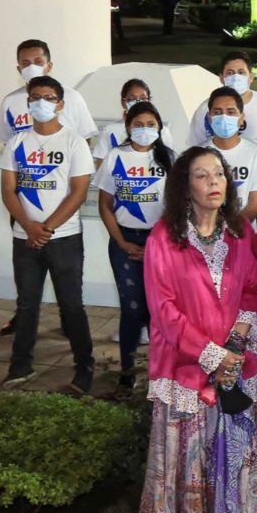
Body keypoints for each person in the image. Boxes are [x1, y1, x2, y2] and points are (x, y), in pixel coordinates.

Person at [140, 145, 257, 513]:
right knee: (181, 443)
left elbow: (252, 290)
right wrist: (210, 354)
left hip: (233, 358)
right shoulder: (164, 237)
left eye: (219, 174)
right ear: (184, 186)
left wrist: (234, 346)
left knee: (233, 437)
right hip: (182, 361)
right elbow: (163, 310)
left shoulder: (242, 231)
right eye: (202, 175)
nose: (214, 182)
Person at [2, 75, 97, 396]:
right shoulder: (17, 143)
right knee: (27, 305)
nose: (41, 102)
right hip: (24, 237)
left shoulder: (74, 142)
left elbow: (78, 192)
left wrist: (47, 228)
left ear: (60, 104)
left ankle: (84, 367)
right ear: (28, 102)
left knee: (71, 306)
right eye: (35, 97)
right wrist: (29, 227)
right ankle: (20, 365)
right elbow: (8, 190)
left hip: (65, 238)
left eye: (48, 97)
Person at [96, 98, 172, 392]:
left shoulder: (170, 159)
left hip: (161, 243)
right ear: (128, 127)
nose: (144, 130)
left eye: (151, 125)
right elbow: (105, 204)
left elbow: (179, 207)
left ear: (159, 128)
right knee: (131, 308)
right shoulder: (116, 156)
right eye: (138, 125)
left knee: (158, 309)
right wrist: (122, 243)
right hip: (124, 240)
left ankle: (158, 368)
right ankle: (128, 367)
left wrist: (159, 243)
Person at [0, 38, 97, 151]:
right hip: (24, 167)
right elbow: (7, 142)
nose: (32, 68)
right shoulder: (10, 102)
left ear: (49, 66)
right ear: (19, 69)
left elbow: (85, 138)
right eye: (26, 63)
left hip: (65, 167)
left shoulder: (72, 97)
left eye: (38, 62)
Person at [200, 86, 257, 227]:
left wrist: (231, 230)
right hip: (203, 235)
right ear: (209, 118)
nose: (224, 117)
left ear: (241, 118)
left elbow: (256, 203)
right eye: (217, 112)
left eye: (231, 112)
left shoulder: (255, 153)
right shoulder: (196, 154)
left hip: (242, 235)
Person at [189, 51, 257, 146]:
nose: (236, 77)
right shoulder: (206, 108)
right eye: (230, 73)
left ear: (251, 77)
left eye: (241, 72)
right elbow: (195, 144)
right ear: (221, 78)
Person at [94, 77, 177, 155]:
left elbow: (170, 161)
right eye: (132, 99)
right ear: (123, 102)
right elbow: (101, 163)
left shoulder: (163, 131)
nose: (138, 102)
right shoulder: (110, 130)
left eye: (143, 98)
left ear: (149, 101)